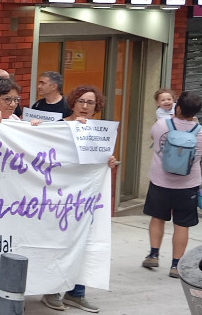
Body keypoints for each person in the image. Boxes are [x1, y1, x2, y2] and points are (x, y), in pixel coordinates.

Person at [41, 85, 116, 313]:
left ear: (96, 108)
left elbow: (99, 162)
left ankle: (77, 292)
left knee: (85, 242)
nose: (84, 106)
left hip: (84, 199)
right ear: (72, 103)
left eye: (90, 103)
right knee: (59, 242)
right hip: (58, 197)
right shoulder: (59, 127)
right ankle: (52, 289)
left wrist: (109, 161)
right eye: (81, 101)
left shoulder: (99, 132)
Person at [142, 91, 202, 280]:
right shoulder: (201, 132)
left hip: (160, 182)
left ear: (177, 108)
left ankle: (153, 254)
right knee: (182, 225)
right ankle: (176, 265)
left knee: (157, 218)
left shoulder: (161, 125)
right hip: (187, 186)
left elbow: (154, 140)